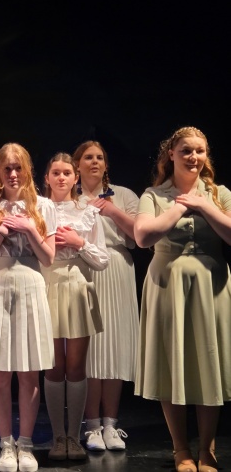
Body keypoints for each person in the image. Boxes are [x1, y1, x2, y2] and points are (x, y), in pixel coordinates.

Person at [134, 126, 231, 472]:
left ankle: (207, 449)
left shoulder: (219, 194)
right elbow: (143, 237)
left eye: (200, 151)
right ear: (171, 155)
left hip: (209, 287)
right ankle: (181, 449)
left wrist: (204, 205)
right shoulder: (153, 195)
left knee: (209, 363)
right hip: (168, 287)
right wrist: (179, 207)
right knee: (171, 363)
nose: (194, 157)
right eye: (186, 150)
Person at [0, 143, 56, 472]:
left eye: (18, 167)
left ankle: (26, 443)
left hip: (30, 285)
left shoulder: (44, 206)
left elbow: (48, 258)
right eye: (6, 168)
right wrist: (1, 231)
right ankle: (6, 443)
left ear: (27, 169)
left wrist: (30, 229)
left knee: (30, 372)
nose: (13, 174)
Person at [41, 152, 109, 461]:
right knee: (54, 366)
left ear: (75, 177)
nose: (61, 177)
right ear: (47, 177)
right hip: (47, 286)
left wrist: (78, 243)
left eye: (66, 172)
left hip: (78, 286)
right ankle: (58, 436)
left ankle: (74, 436)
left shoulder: (88, 212)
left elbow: (102, 260)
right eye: (55, 172)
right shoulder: (39, 210)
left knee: (76, 366)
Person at [72, 140, 139, 451]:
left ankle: (111, 424)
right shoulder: (70, 197)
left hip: (117, 270)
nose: (94, 162)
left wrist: (112, 210)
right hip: (83, 270)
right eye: (88, 157)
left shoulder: (123, 195)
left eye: (99, 157)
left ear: (106, 164)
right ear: (77, 164)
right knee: (90, 350)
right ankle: (92, 426)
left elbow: (139, 235)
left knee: (115, 347)